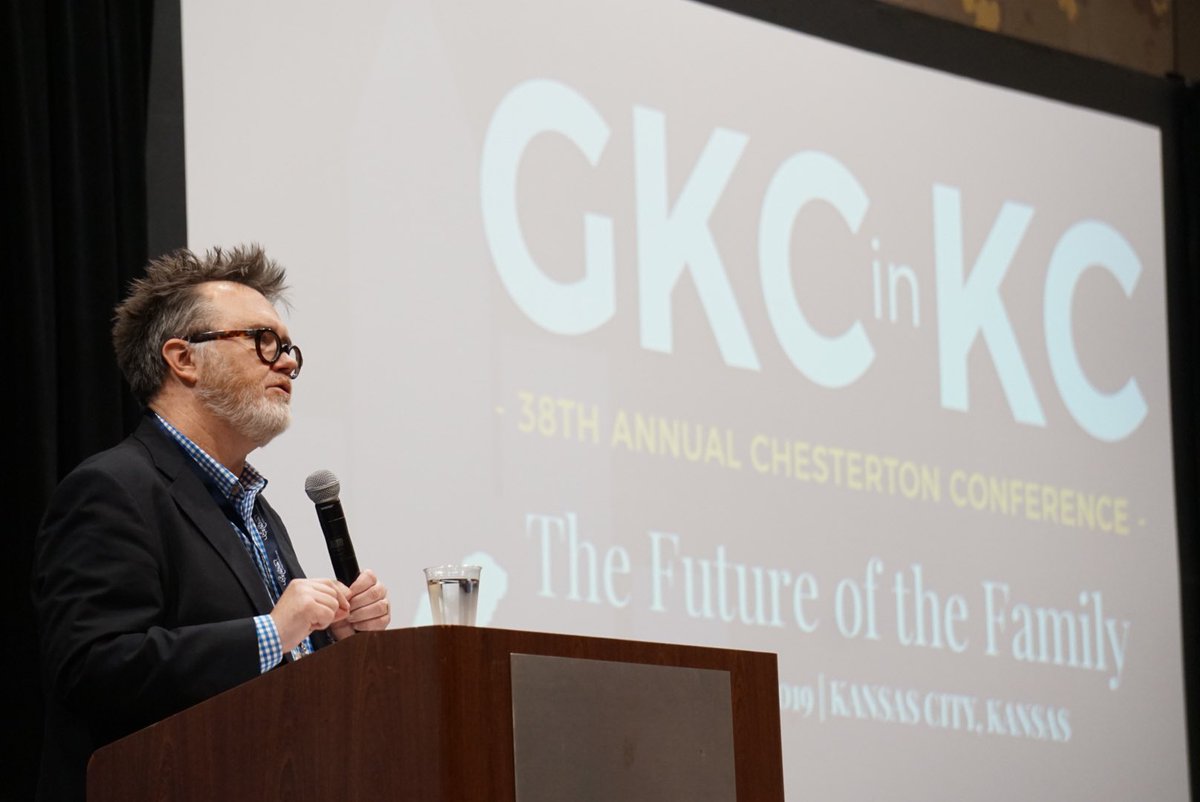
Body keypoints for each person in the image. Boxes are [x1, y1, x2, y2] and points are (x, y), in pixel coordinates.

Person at [31, 245, 391, 802]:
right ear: (184, 359)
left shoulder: (257, 511)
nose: (286, 363)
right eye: (263, 341)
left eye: (289, 348)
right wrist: (274, 631)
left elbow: (271, 682)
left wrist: (331, 641)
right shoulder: (111, 489)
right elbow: (92, 669)